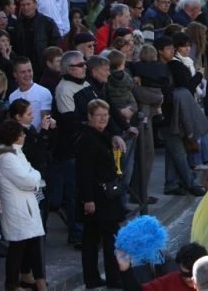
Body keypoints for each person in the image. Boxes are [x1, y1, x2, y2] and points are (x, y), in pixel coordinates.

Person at [0, 119, 46, 291]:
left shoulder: (13, 153)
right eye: (21, 134)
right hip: (17, 207)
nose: (24, 137)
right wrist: (36, 175)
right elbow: (28, 179)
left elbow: (28, 172)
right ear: (15, 137)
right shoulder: (7, 158)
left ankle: (26, 277)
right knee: (18, 247)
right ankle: (12, 284)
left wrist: (32, 174)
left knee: (28, 244)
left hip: (23, 205)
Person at [76, 99, 124, 289]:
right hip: (98, 196)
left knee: (93, 237)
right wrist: (88, 199)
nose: (103, 119)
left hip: (104, 195)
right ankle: (112, 277)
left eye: (106, 115)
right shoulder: (87, 139)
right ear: (89, 117)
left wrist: (115, 136)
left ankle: (94, 278)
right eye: (99, 116)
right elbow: (84, 172)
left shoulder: (101, 135)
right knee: (107, 237)